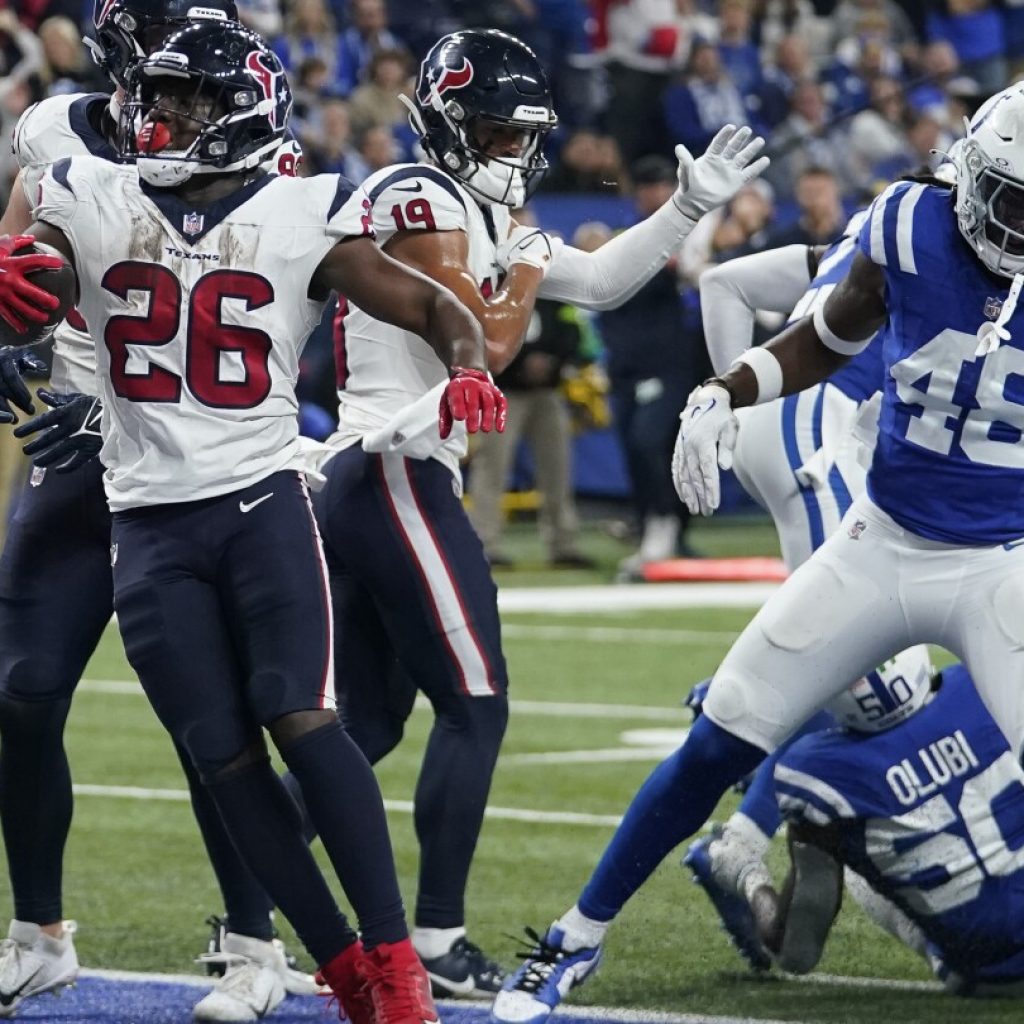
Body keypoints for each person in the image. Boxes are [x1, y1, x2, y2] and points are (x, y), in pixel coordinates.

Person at [0, 19, 505, 1024]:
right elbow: (34, 266)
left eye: (188, 99)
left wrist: (466, 365)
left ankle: (373, 956)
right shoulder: (84, 183)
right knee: (216, 748)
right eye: (160, 94)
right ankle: (341, 967)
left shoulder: (303, 208)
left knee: (299, 713)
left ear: (241, 109)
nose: (162, 115)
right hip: (140, 510)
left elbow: (434, 302)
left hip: (260, 498)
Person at [490, 80, 1024, 1024]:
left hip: (1003, 560)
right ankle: (572, 941)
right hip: (884, 540)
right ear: (973, 177)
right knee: (722, 731)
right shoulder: (908, 221)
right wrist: (725, 391)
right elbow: (828, 333)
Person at [313, 26, 767, 998]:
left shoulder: (474, 205)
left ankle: (249, 908)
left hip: (385, 470)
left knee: (370, 720)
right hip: (392, 459)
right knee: (475, 706)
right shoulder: (419, 193)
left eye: (518, 135)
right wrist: (519, 261)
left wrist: (686, 207)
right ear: (441, 120)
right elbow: (485, 339)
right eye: (489, 129)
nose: (509, 152)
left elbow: (600, 282)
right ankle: (434, 939)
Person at [0, 3, 323, 1020]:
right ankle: (38, 930)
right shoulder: (54, 139)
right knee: (19, 691)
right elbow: (14, 274)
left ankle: (251, 940)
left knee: (212, 720)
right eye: (159, 69)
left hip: (190, 462)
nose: (176, 94)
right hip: (74, 450)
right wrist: (11, 354)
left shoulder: (256, 145)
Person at [747, 660, 1024, 994]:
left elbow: (796, 952)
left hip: (995, 976)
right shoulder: (979, 684)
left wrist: (747, 877)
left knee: (856, 862)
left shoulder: (820, 771)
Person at [467, 296, 595, 569]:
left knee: (558, 469)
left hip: (548, 392)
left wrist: (553, 362)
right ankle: (485, 544)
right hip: (504, 391)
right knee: (492, 468)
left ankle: (563, 543)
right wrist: (522, 363)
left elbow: (573, 332)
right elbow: (483, 335)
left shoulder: (553, 296)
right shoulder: (496, 291)